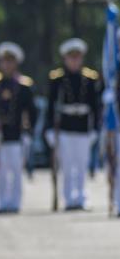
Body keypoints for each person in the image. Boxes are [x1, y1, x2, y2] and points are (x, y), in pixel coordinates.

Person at [45, 38, 101, 211]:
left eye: (77, 57)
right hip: (65, 128)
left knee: (82, 164)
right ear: (65, 58)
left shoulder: (89, 78)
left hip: (83, 127)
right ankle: (69, 198)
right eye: (71, 57)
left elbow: (96, 107)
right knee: (68, 165)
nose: (74, 61)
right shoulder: (57, 79)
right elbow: (51, 106)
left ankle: (82, 198)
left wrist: (96, 130)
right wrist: (48, 130)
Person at [0, 42, 37, 214]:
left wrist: (29, 132)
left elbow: (31, 111)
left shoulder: (24, 85)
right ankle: (2, 202)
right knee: (1, 170)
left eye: (11, 61)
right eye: (4, 61)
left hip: (17, 133)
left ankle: (15, 202)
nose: (7, 65)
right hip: (0, 133)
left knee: (16, 170)